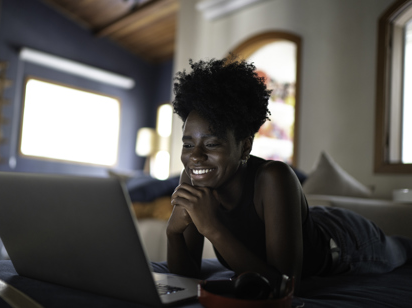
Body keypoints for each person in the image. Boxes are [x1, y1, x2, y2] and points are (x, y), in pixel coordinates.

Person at [166, 56, 412, 294]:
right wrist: (173, 232)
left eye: (211, 144)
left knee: (403, 249)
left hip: (346, 241)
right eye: (188, 145)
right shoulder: (194, 179)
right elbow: (185, 275)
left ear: (244, 146)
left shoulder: (273, 177)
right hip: (305, 221)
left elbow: (284, 286)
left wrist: (211, 227)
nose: (195, 157)